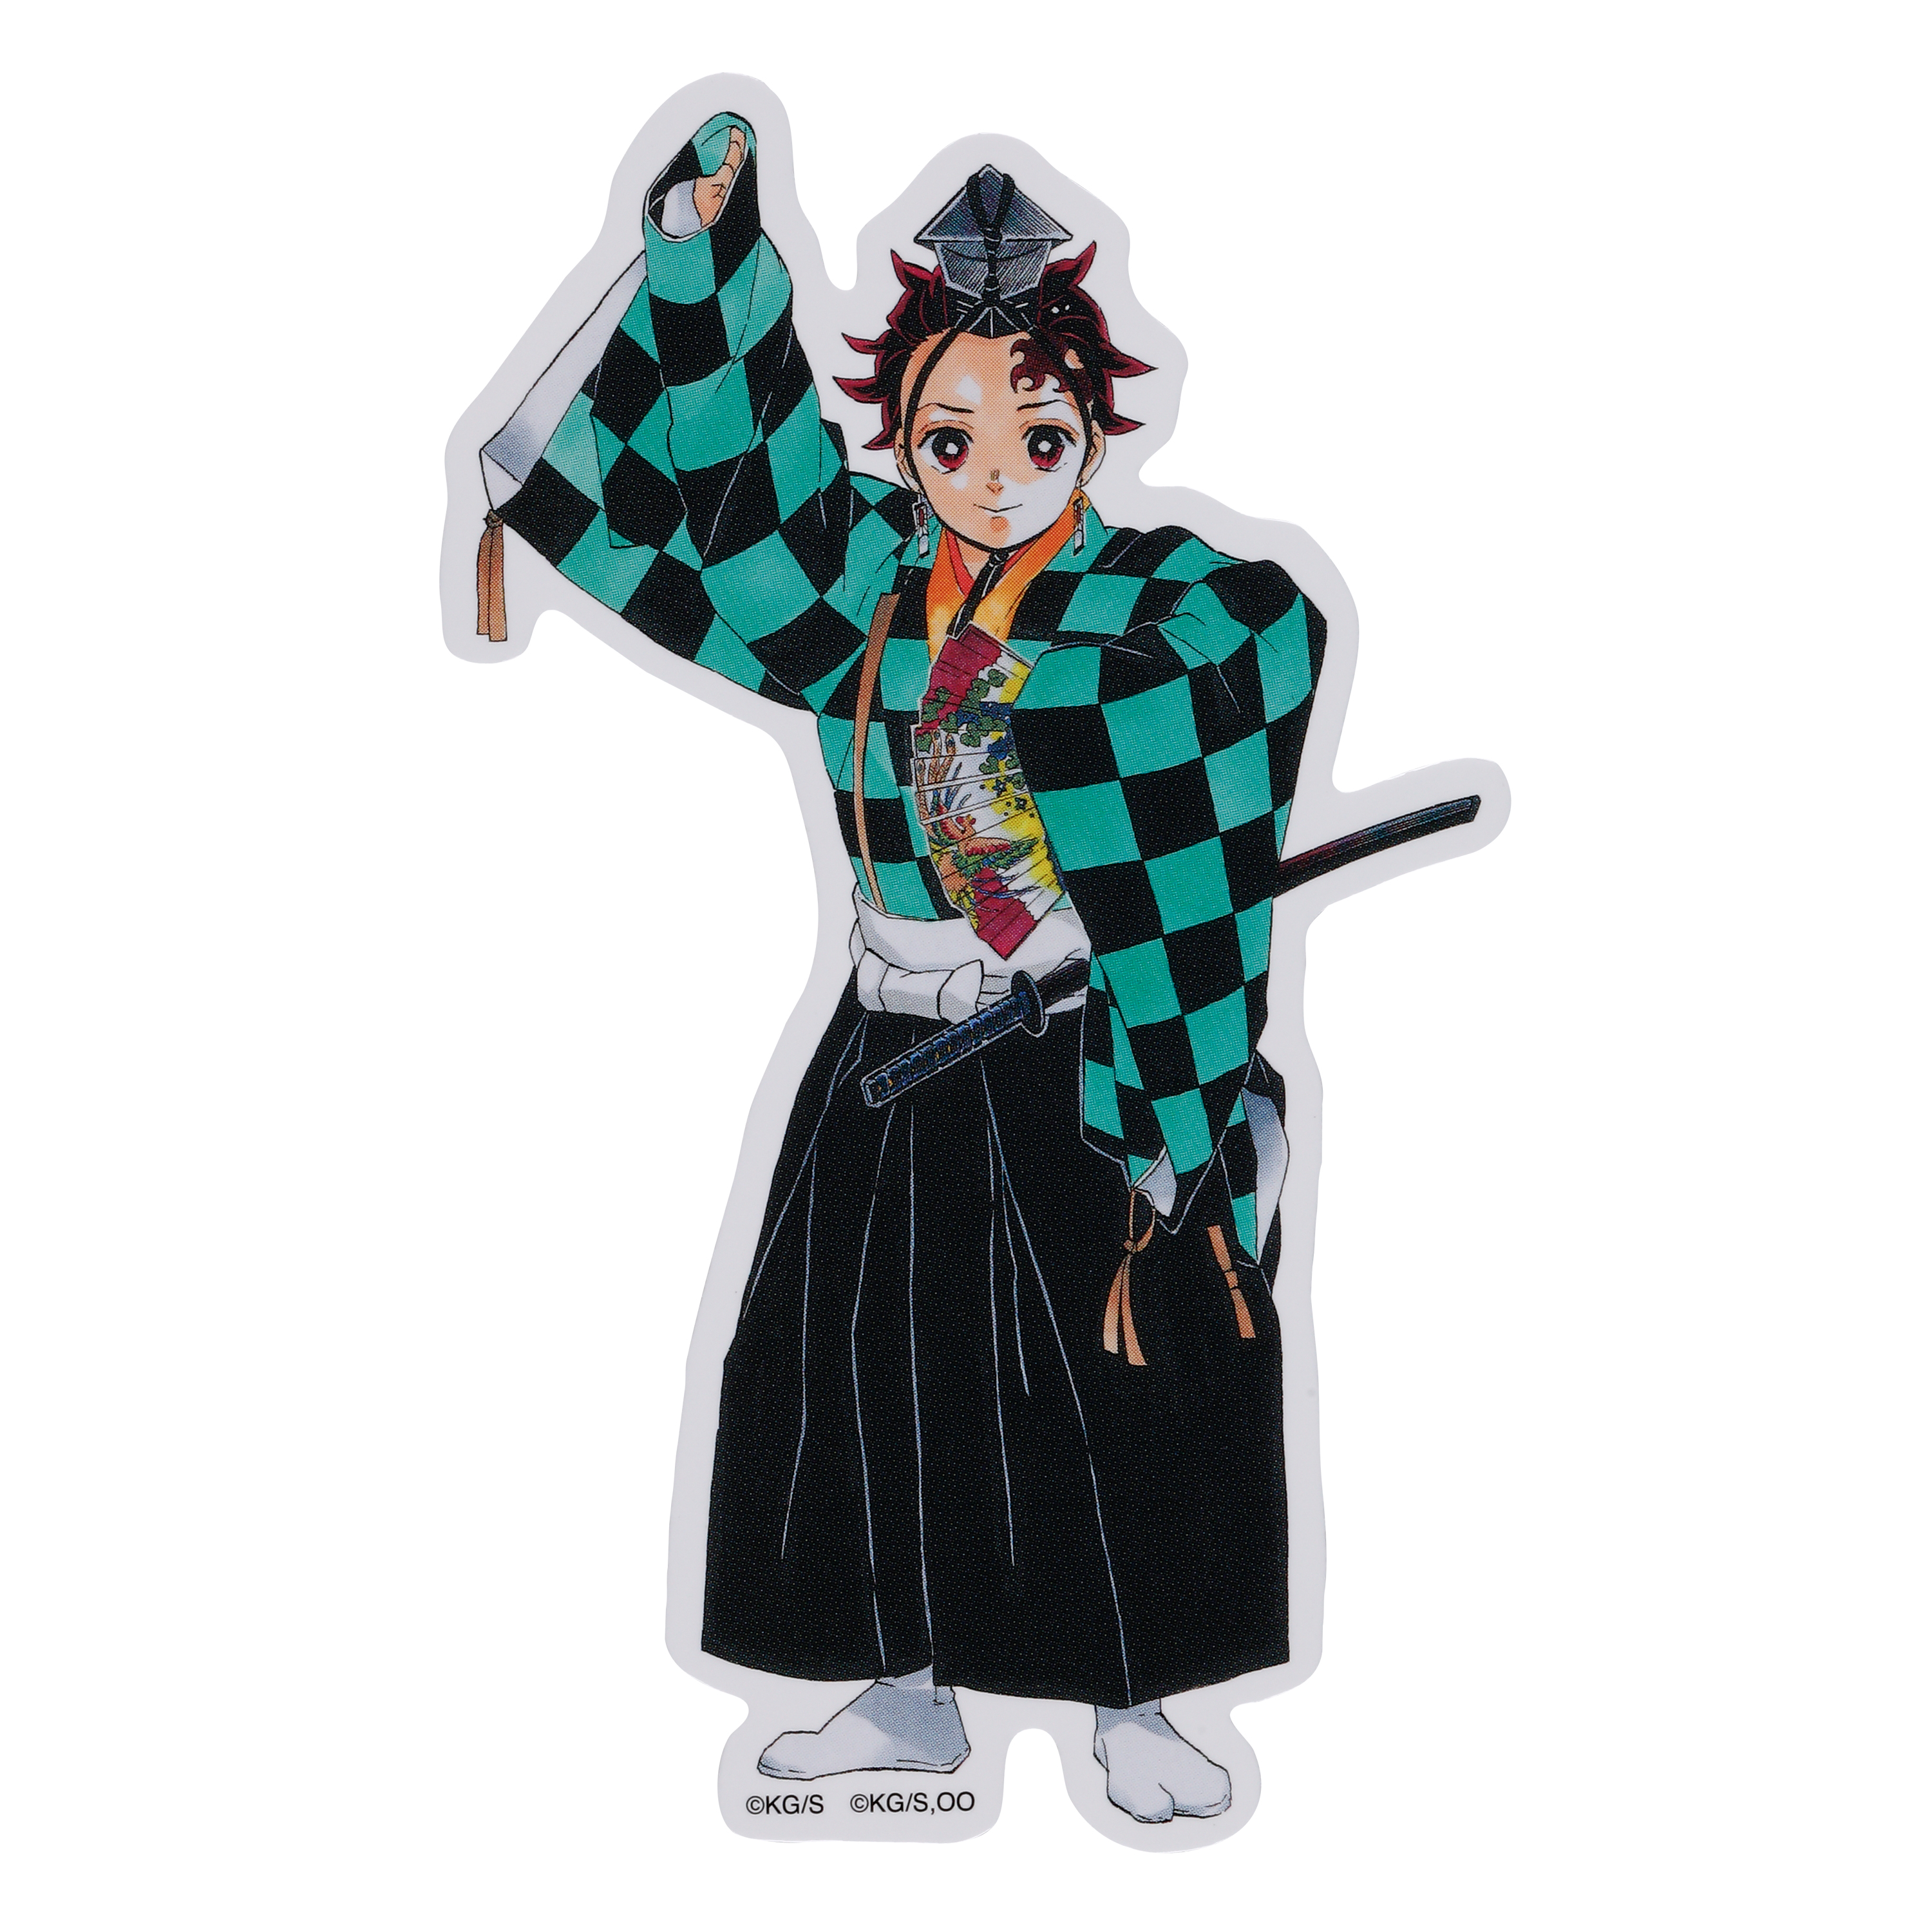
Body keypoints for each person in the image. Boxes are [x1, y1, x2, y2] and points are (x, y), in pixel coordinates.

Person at [484, 113, 1323, 1824]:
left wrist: (1018, 702)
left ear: (1097, 430)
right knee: (873, 1374)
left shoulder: (1165, 594)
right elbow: (748, 473)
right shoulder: (864, 583)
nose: (995, 474)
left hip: (1078, 1046)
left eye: (1040, 433)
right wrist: (709, 259)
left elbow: (1253, 649)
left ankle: (1135, 1703)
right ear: (905, 440)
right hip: (891, 1036)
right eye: (951, 437)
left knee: (1107, 1382)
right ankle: (905, 1689)